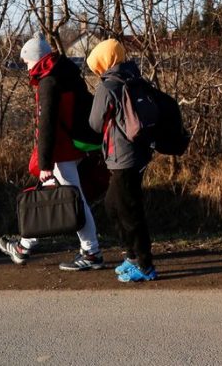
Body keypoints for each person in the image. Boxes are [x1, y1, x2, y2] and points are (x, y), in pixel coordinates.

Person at [0, 35, 104, 271]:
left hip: (61, 150)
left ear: (35, 60)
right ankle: (24, 247)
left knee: (74, 201)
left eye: (26, 62)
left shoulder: (49, 82)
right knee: (51, 196)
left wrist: (45, 163)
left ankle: (92, 251)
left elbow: (46, 125)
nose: (26, 67)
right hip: (73, 145)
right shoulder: (67, 73)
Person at [87, 39, 157, 283]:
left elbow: (95, 124)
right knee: (114, 205)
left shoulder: (108, 86)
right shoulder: (134, 76)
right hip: (138, 153)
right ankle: (132, 256)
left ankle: (145, 265)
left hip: (122, 157)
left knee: (128, 211)